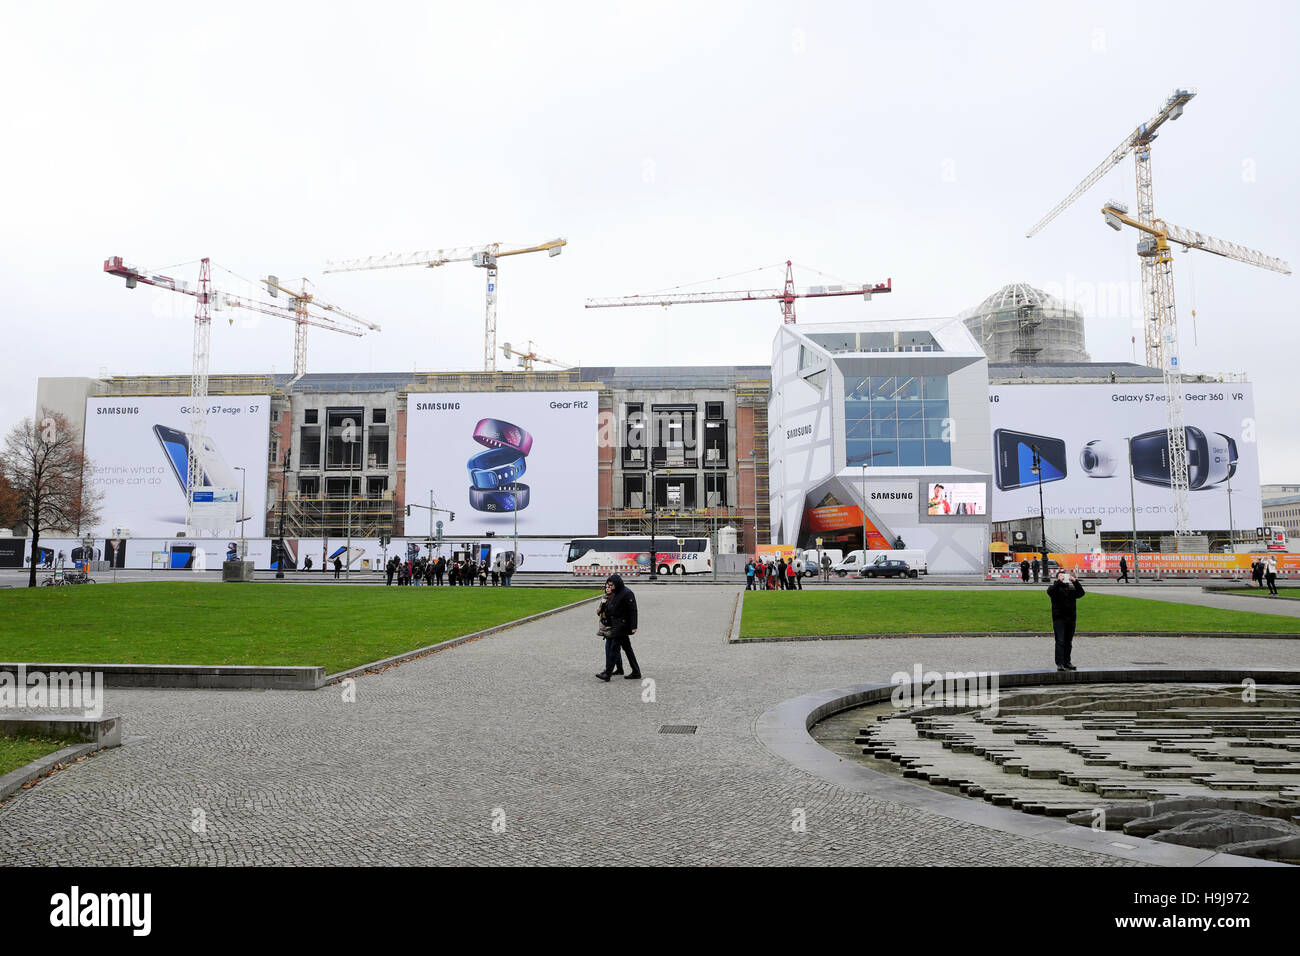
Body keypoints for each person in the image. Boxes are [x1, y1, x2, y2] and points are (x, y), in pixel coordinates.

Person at [596, 573, 640, 682]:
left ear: (617, 584)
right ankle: (636, 671)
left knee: (614, 649)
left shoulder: (627, 593)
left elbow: (633, 610)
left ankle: (608, 673)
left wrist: (634, 626)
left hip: (622, 625)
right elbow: (612, 608)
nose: (610, 587)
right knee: (627, 649)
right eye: (609, 585)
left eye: (611, 585)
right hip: (616, 624)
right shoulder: (616, 593)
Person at [1046, 570, 1085, 672]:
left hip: (1071, 618)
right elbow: (1050, 592)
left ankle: (1067, 662)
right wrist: (1059, 581)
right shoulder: (1054, 588)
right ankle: (1060, 663)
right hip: (1059, 618)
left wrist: (1075, 581)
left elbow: (1081, 593)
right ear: (1057, 578)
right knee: (1060, 641)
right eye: (1061, 576)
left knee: (1068, 641)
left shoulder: (1071, 588)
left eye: (1064, 576)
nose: (1063, 577)